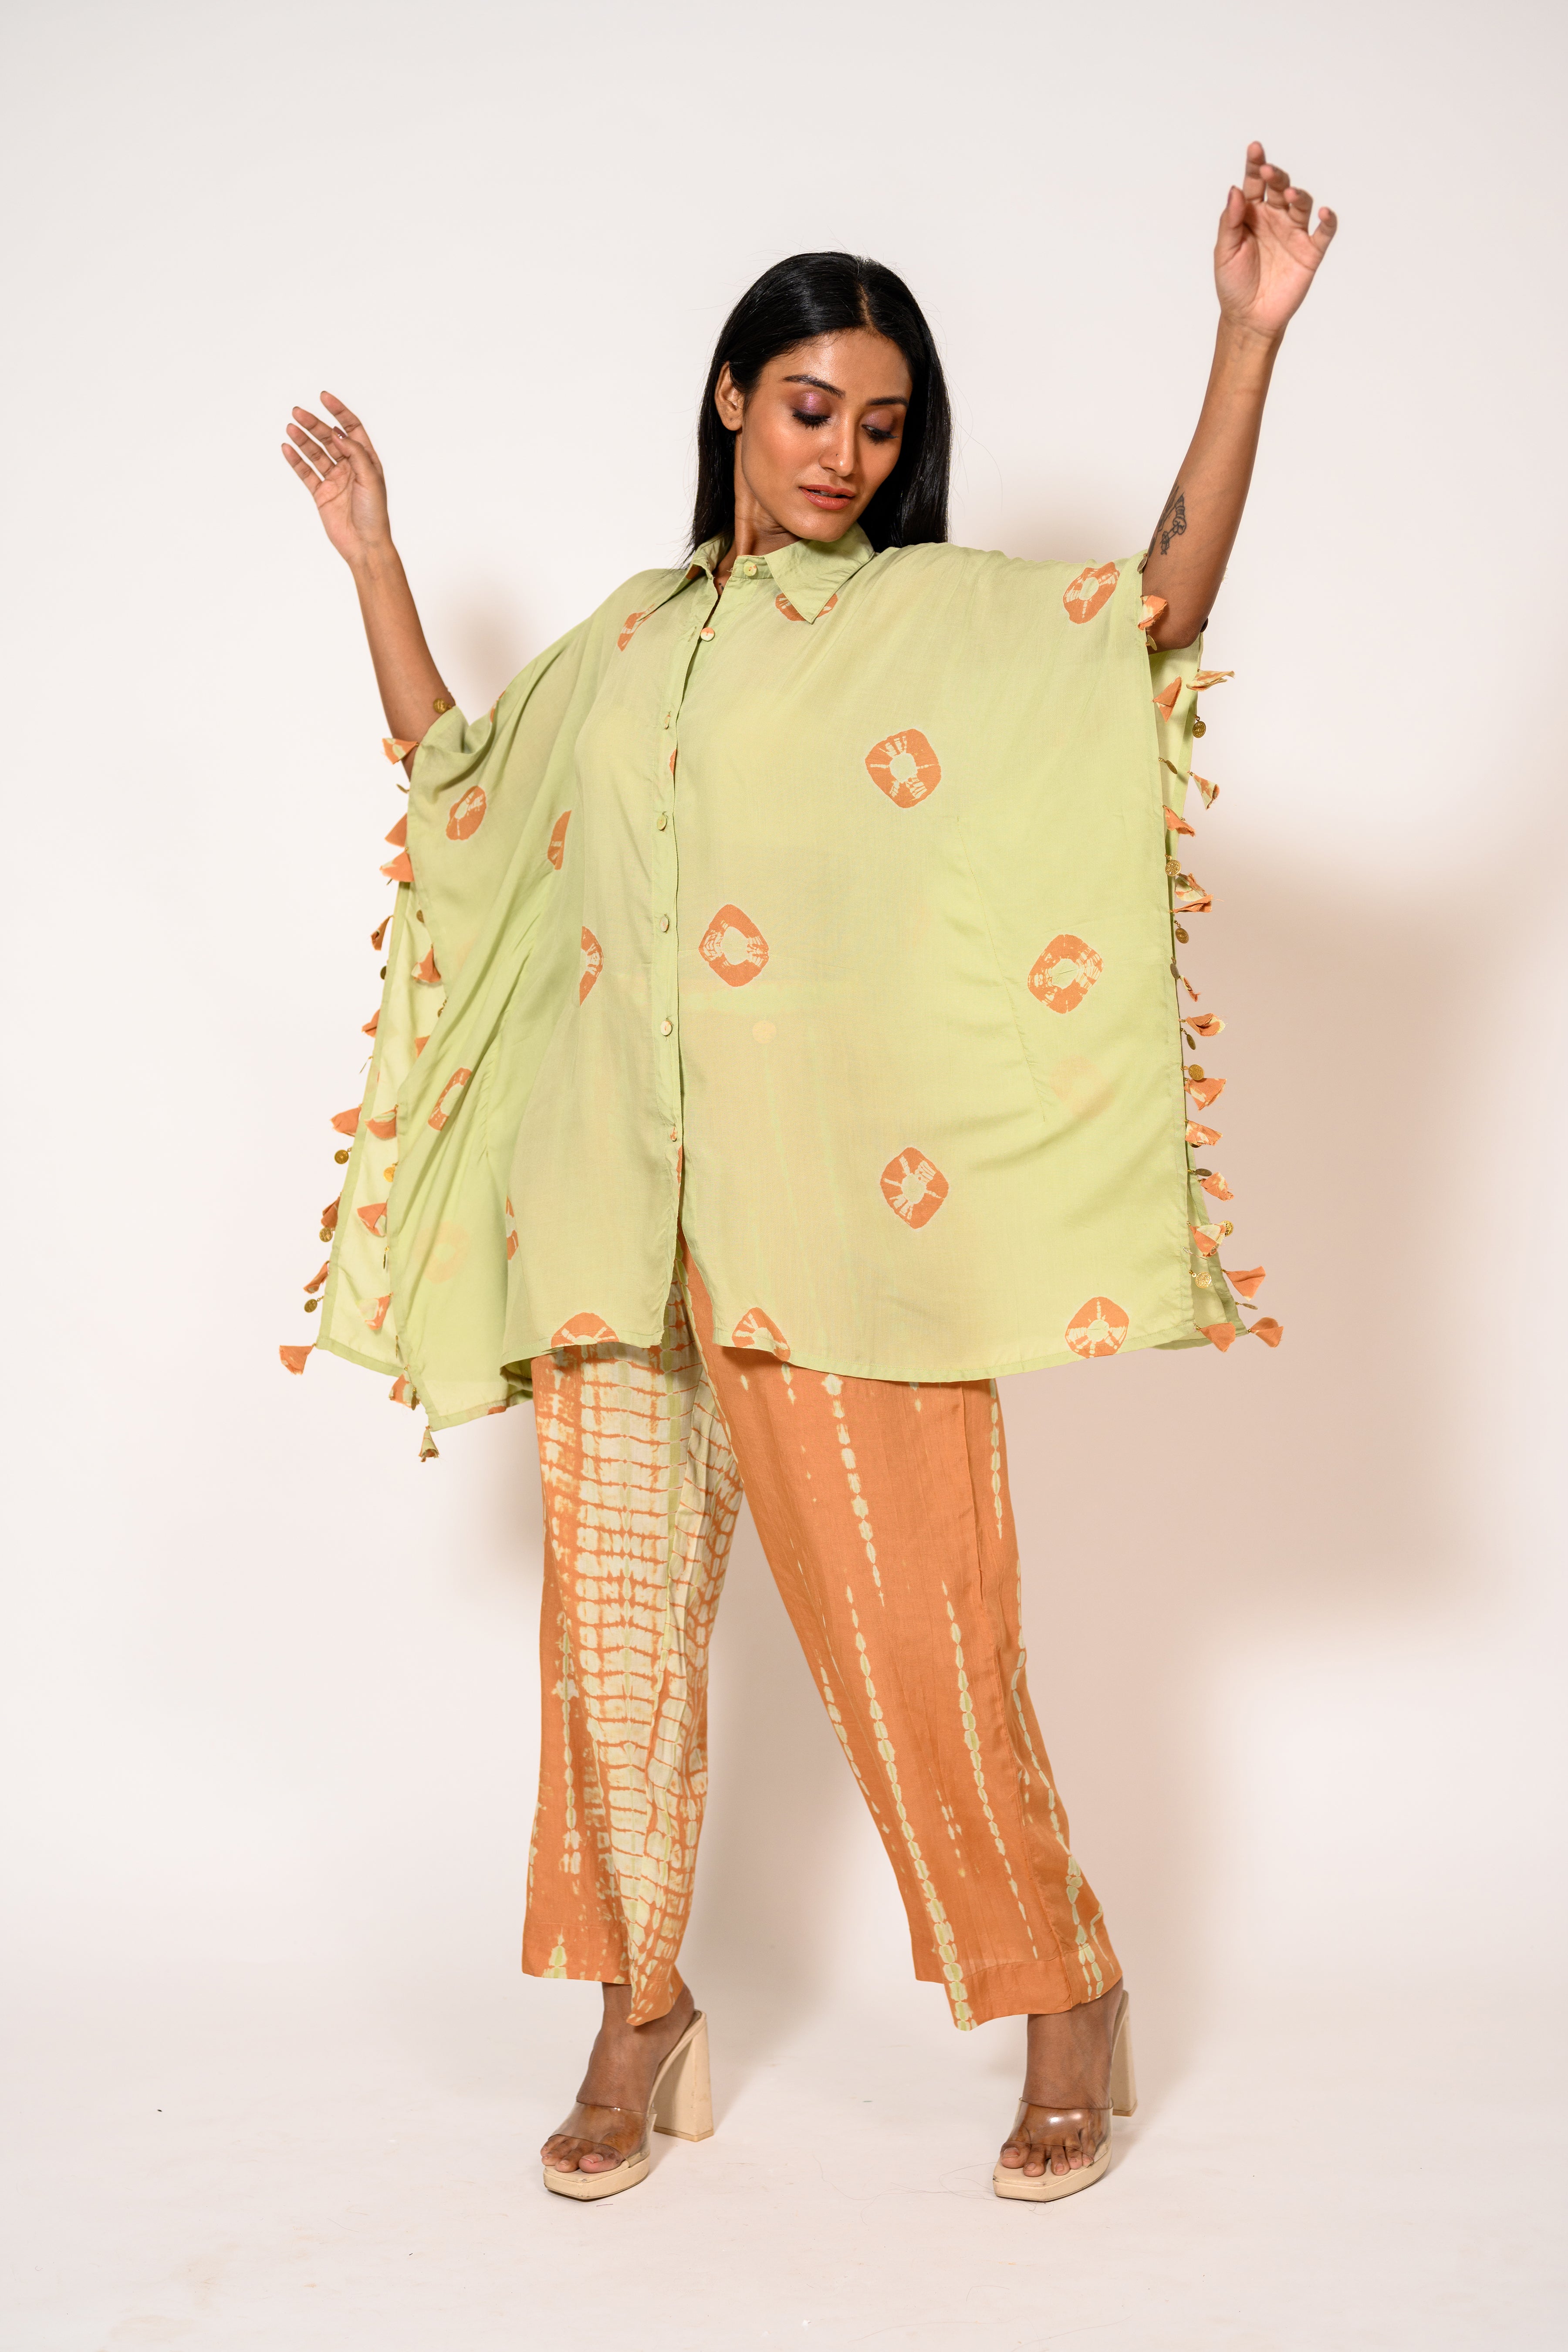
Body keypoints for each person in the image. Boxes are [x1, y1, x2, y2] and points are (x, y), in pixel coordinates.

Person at [281, 142, 1335, 2204]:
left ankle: (1063, 1994)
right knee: (613, 1658)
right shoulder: (627, 637)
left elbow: (1157, 609)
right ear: (731, 403)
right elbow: (467, 796)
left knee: (922, 1634)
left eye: (879, 423)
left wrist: (1244, 342)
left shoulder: (921, 617)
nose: (845, 454)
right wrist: (374, 562)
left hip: (843, 1228)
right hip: (616, 1224)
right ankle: (638, 2014)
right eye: (809, 408)